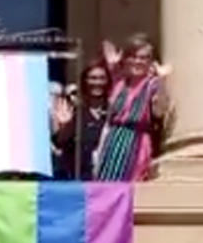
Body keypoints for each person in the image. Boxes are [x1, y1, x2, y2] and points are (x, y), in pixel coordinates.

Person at [93, 34, 171, 181]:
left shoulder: (152, 85)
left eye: (143, 57)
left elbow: (159, 111)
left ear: (151, 61)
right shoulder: (120, 84)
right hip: (112, 142)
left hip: (136, 144)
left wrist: (162, 81)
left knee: (129, 192)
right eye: (133, 56)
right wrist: (100, 150)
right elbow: (109, 122)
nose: (137, 61)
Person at [54, 62, 111, 179]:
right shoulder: (75, 111)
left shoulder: (115, 111)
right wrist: (65, 124)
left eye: (102, 78)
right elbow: (60, 142)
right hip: (80, 180)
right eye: (93, 78)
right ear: (84, 81)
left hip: (109, 177)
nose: (97, 82)